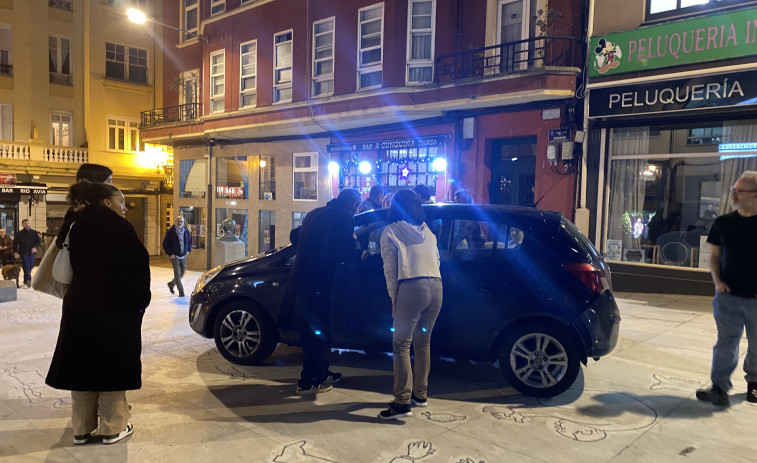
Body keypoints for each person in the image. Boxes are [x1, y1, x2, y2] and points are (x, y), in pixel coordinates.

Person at [45, 181, 151, 445]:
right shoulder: (121, 229)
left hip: (79, 307)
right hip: (114, 310)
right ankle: (113, 428)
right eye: (121, 201)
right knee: (112, 368)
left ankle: (81, 429)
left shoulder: (75, 226)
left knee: (81, 366)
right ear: (107, 202)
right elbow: (137, 271)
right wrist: (139, 303)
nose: (124, 208)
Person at [279, 188, 361, 395]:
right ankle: (308, 381)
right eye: (356, 207)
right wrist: (358, 247)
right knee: (318, 332)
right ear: (352, 205)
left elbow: (294, 236)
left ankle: (321, 371)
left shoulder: (315, 213)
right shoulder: (344, 218)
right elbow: (348, 251)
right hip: (319, 285)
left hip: (301, 281)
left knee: (311, 331)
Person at [378, 189, 442, 420]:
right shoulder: (429, 233)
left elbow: (390, 269)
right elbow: (437, 261)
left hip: (412, 287)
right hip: (436, 287)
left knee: (401, 345)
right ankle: (420, 395)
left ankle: (402, 401)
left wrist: (394, 298)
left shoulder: (390, 231)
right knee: (423, 343)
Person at [696, 171, 757, 407]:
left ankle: (754, 385)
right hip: (728, 297)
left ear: (754, 195)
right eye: (733, 189)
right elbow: (714, 257)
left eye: (738, 190)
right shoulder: (724, 222)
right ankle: (719, 388)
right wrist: (717, 282)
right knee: (725, 343)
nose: (733, 194)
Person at [162, 216, 192, 297]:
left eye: (181, 221)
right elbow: (165, 244)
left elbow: (190, 242)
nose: (179, 222)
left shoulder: (186, 231)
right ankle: (181, 291)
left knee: (182, 271)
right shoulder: (170, 231)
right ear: (175, 221)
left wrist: (189, 250)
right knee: (177, 274)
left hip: (183, 255)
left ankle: (171, 284)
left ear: (183, 222)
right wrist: (170, 253)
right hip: (174, 256)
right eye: (178, 221)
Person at [13, 219, 40, 287]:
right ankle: (28, 281)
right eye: (25, 223)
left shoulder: (34, 233)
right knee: (27, 266)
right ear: (23, 225)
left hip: (32, 253)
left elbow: (38, 242)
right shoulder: (19, 234)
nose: (27, 224)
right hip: (23, 252)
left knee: (30, 266)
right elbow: (15, 243)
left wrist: (35, 247)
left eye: (28, 223)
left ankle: (25, 280)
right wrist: (15, 252)